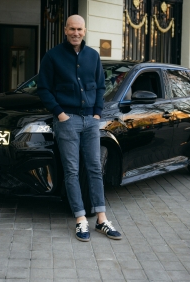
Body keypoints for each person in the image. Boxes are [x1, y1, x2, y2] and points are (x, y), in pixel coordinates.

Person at [37, 14, 122, 242]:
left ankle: (101, 219)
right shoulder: (52, 56)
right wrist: (61, 114)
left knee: (95, 168)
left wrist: (96, 113)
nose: (76, 33)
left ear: (85, 31)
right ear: (65, 30)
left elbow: (101, 86)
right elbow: (43, 88)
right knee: (72, 171)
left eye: (80, 29)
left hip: (90, 121)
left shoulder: (93, 56)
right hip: (67, 121)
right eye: (72, 29)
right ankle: (80, 219)